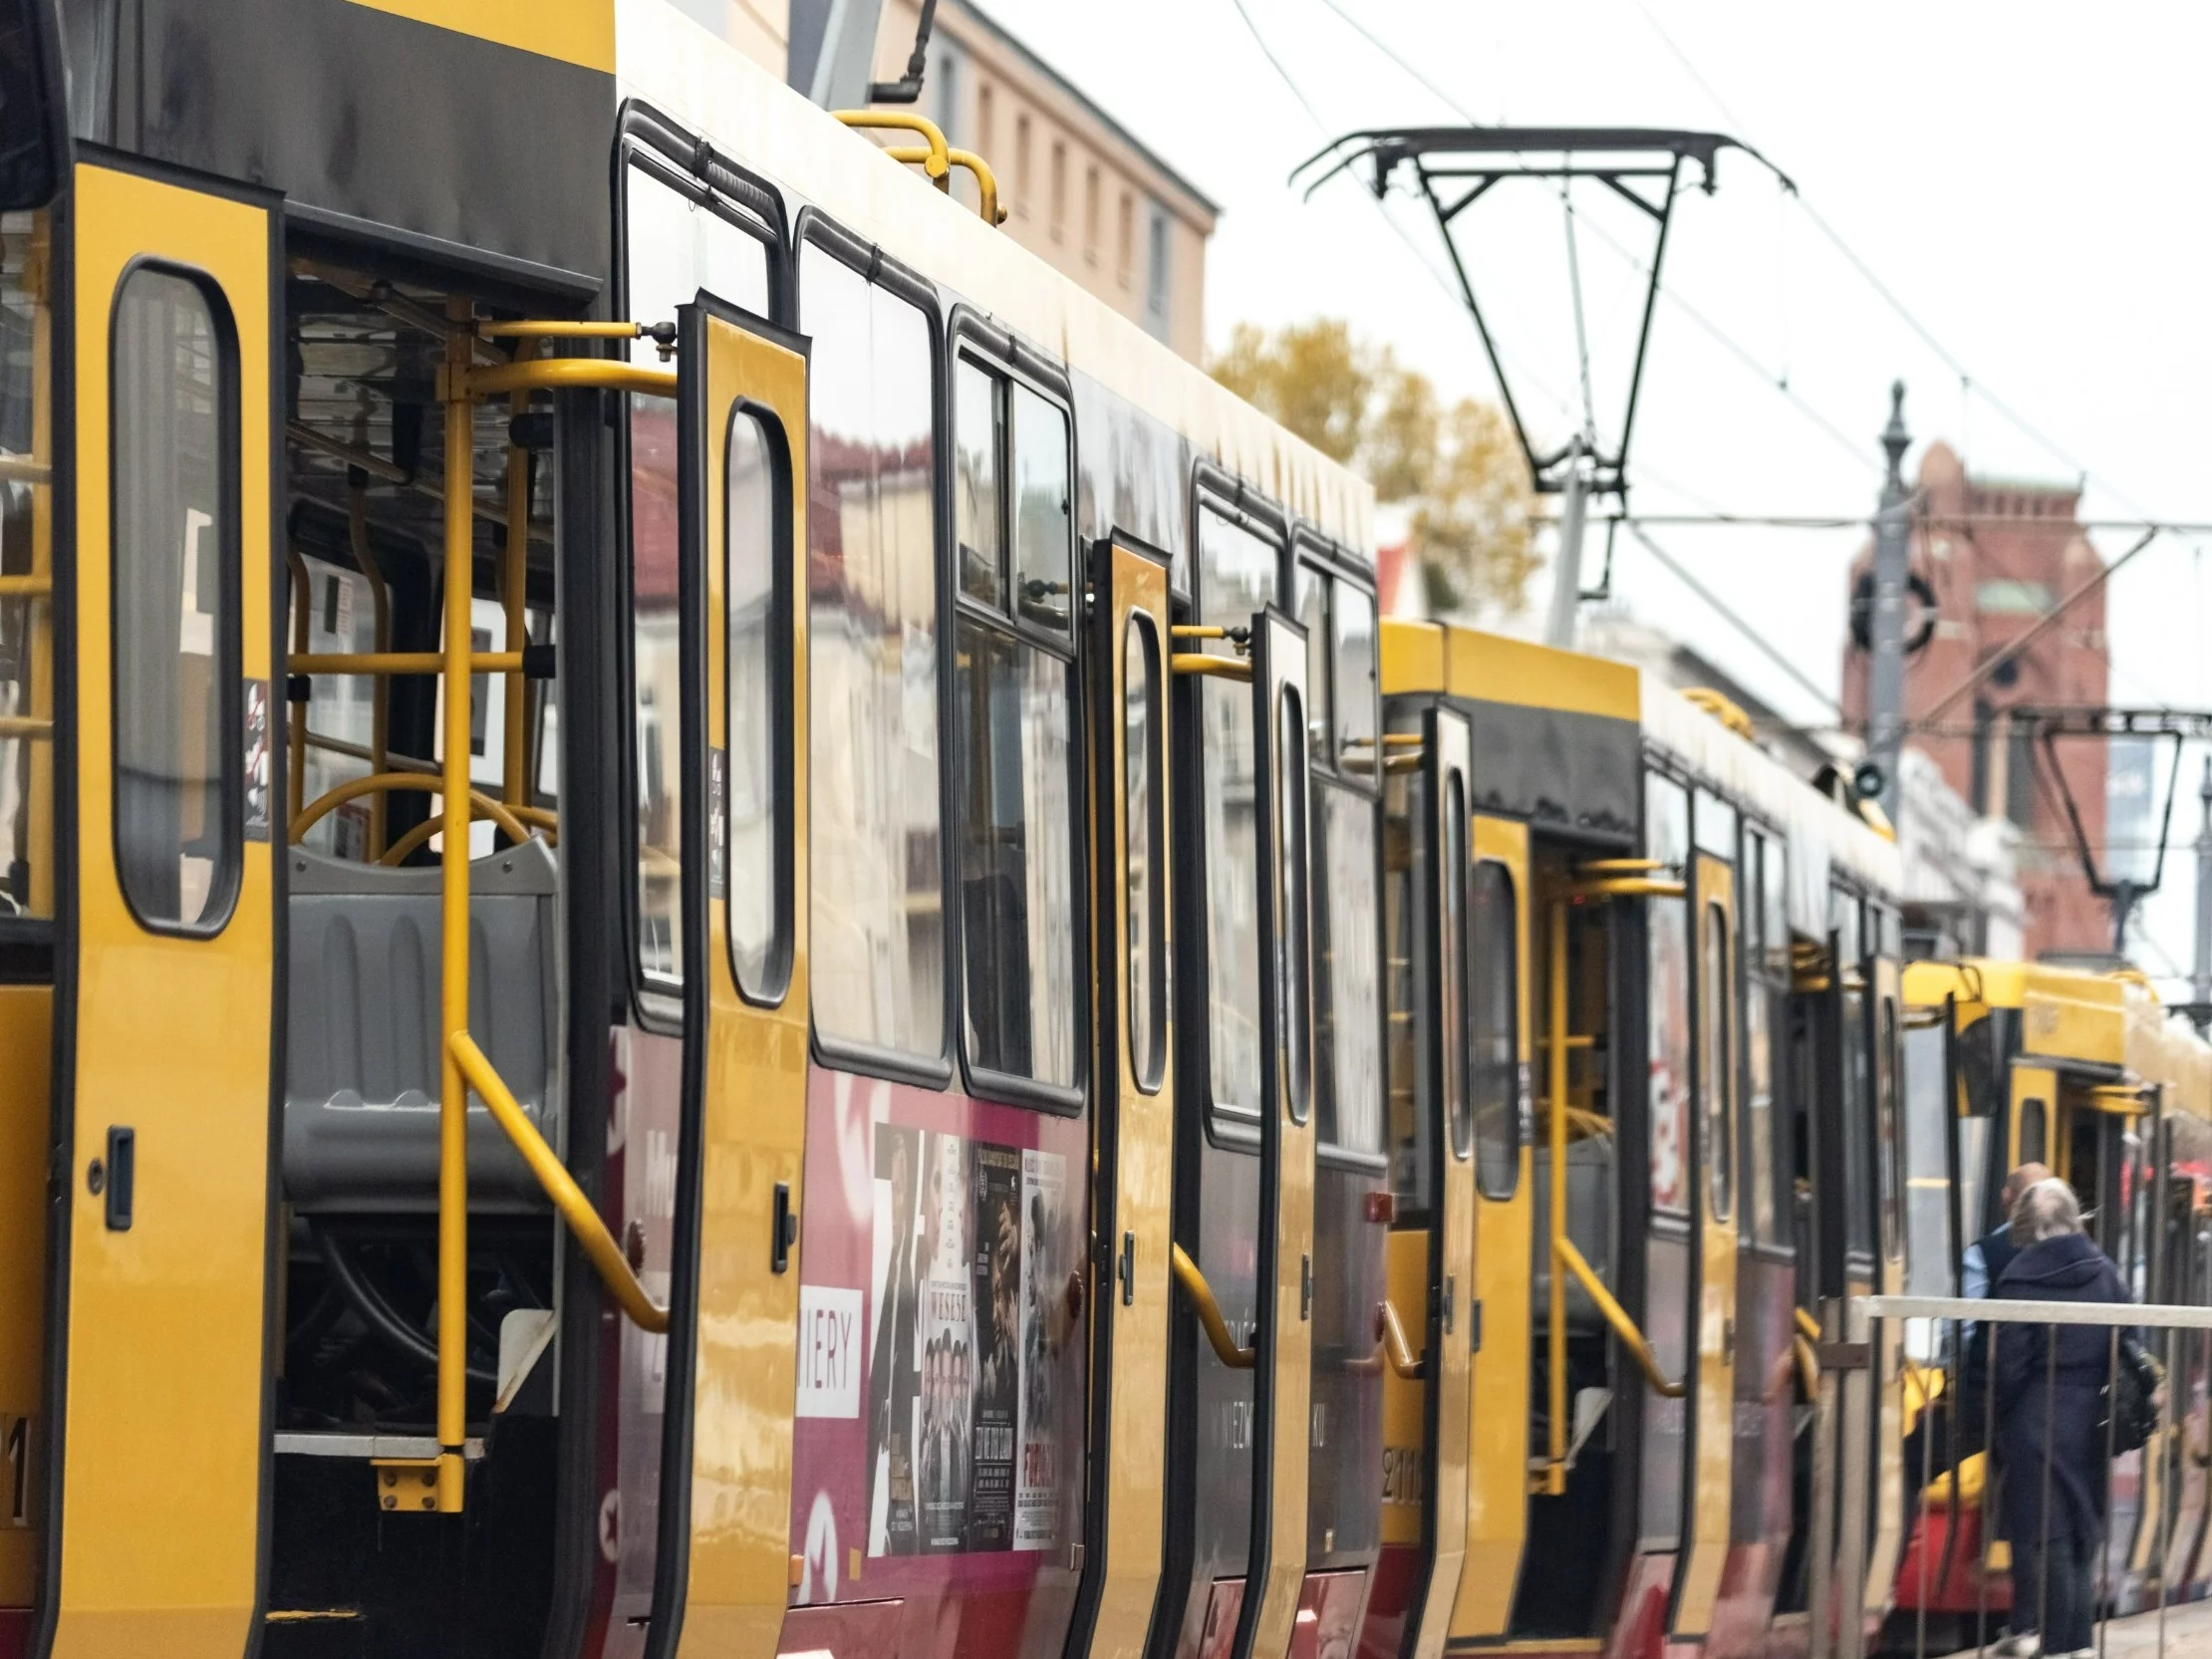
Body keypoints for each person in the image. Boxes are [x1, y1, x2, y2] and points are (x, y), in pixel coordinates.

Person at [1991, 1178, 2132, 1659]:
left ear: (2026, 1225)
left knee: (2045, 1533)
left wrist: (2001, 1412)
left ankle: (2054, 1647)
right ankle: (2079, 1645)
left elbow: (2009, 1363)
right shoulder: (2105, 1273)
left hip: (2035, 1415)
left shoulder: (2019, 1276)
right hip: (2092, 1415)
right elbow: (2131, 1342)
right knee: (2080, 1531)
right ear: (2075, 1218)